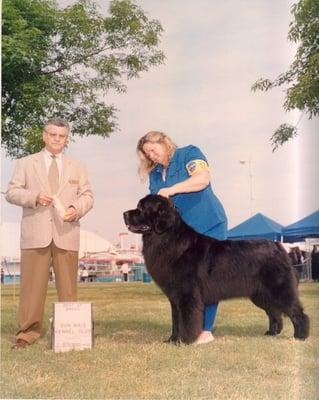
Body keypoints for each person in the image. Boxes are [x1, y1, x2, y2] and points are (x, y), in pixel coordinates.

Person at [6, 118, 94, 349]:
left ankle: (70, 335)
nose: (57, 139)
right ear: (44, 136)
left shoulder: (78, 166)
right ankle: (27, 334)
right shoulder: (25, 163)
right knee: (32, 288)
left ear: (67, 139)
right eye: (53, 134)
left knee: (68, 289)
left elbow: (88, 196)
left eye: (62, 136)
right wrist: (33, 197)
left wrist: (77, 208)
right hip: (35, 234)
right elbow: (11, 192)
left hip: (67, 233)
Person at [136, 131, 227, 344]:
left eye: (152, 148)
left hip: (208, 225)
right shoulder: (155, 174)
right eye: (147, 153)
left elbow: (202, 179)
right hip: (181, 236)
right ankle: (183, 331)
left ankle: (205, 330)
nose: (151, 155)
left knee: (208, 279)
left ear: (164, 142)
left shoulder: (189, 153)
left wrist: (172, 189)